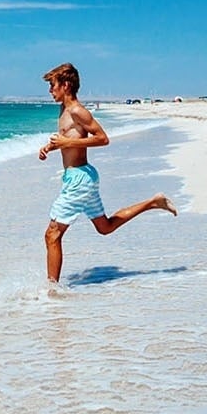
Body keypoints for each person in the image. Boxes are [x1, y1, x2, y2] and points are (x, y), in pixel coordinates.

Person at [39, 63, 176, 285]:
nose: (50, 90)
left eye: (52, 85)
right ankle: (153, 202)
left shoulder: (77, 110)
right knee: (105, 227)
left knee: (52, 235)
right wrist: (52, 146)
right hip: (80, 177)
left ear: (65, 85)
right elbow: (71, 140)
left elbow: (103, 138)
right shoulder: (63, 110)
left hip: (79, 179)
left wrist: (66, 141)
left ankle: (51, 292)